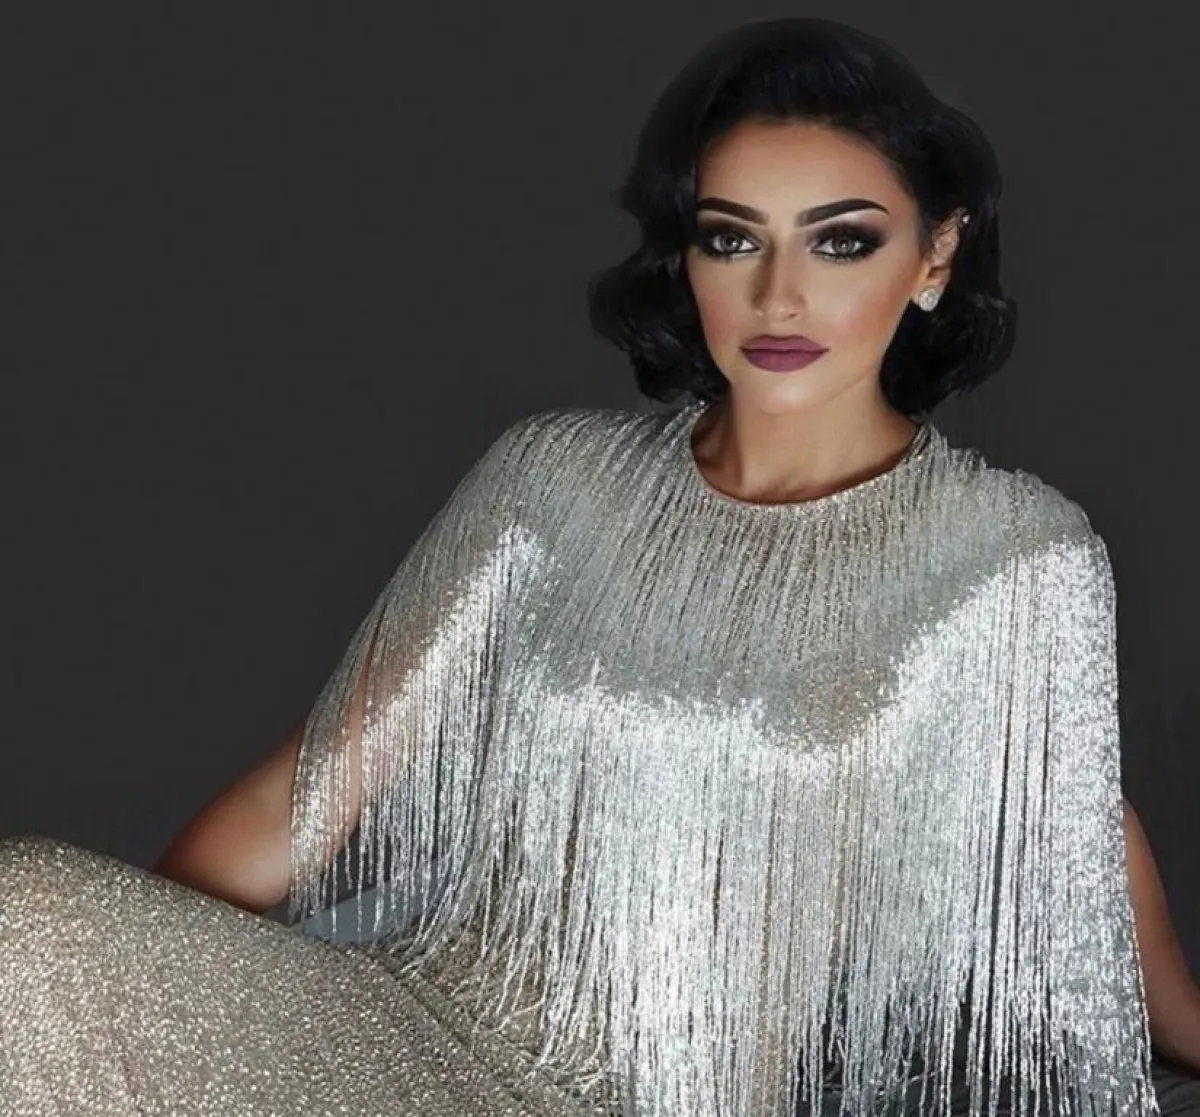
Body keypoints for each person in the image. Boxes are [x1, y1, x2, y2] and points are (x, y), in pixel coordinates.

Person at [1, 15, 1198, 1116]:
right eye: (732, 239)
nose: (779, 296)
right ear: (688, 256)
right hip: (409, 1026)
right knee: (27, 920)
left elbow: (1076, 817)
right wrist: (152, 968)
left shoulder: (1014, 553)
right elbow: (303, 802)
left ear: (935, 257)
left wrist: (1186, 1022)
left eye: (841, 241)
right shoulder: (554, 480)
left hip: (651, 1096)